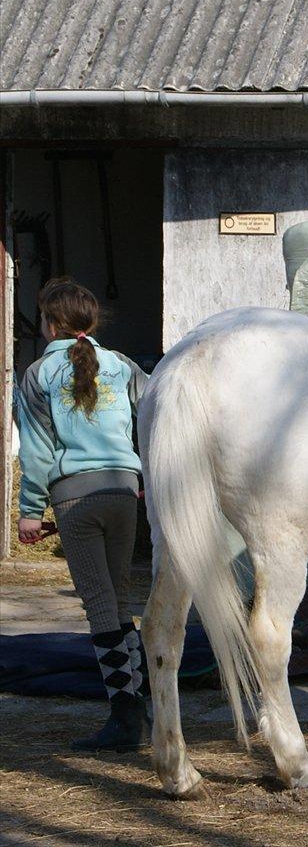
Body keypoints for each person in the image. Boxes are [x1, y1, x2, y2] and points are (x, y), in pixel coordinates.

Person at [16, 277, 150, 751]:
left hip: (76, 496)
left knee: (99, 605)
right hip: (123, 490)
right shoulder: (122, 365)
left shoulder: (38, 374)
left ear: (50, 324)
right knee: (120, 599)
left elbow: (36, 451)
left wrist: (30, 511)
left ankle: (125, 718)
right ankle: (143, 703)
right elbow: (157, 413)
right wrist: (145, 475)